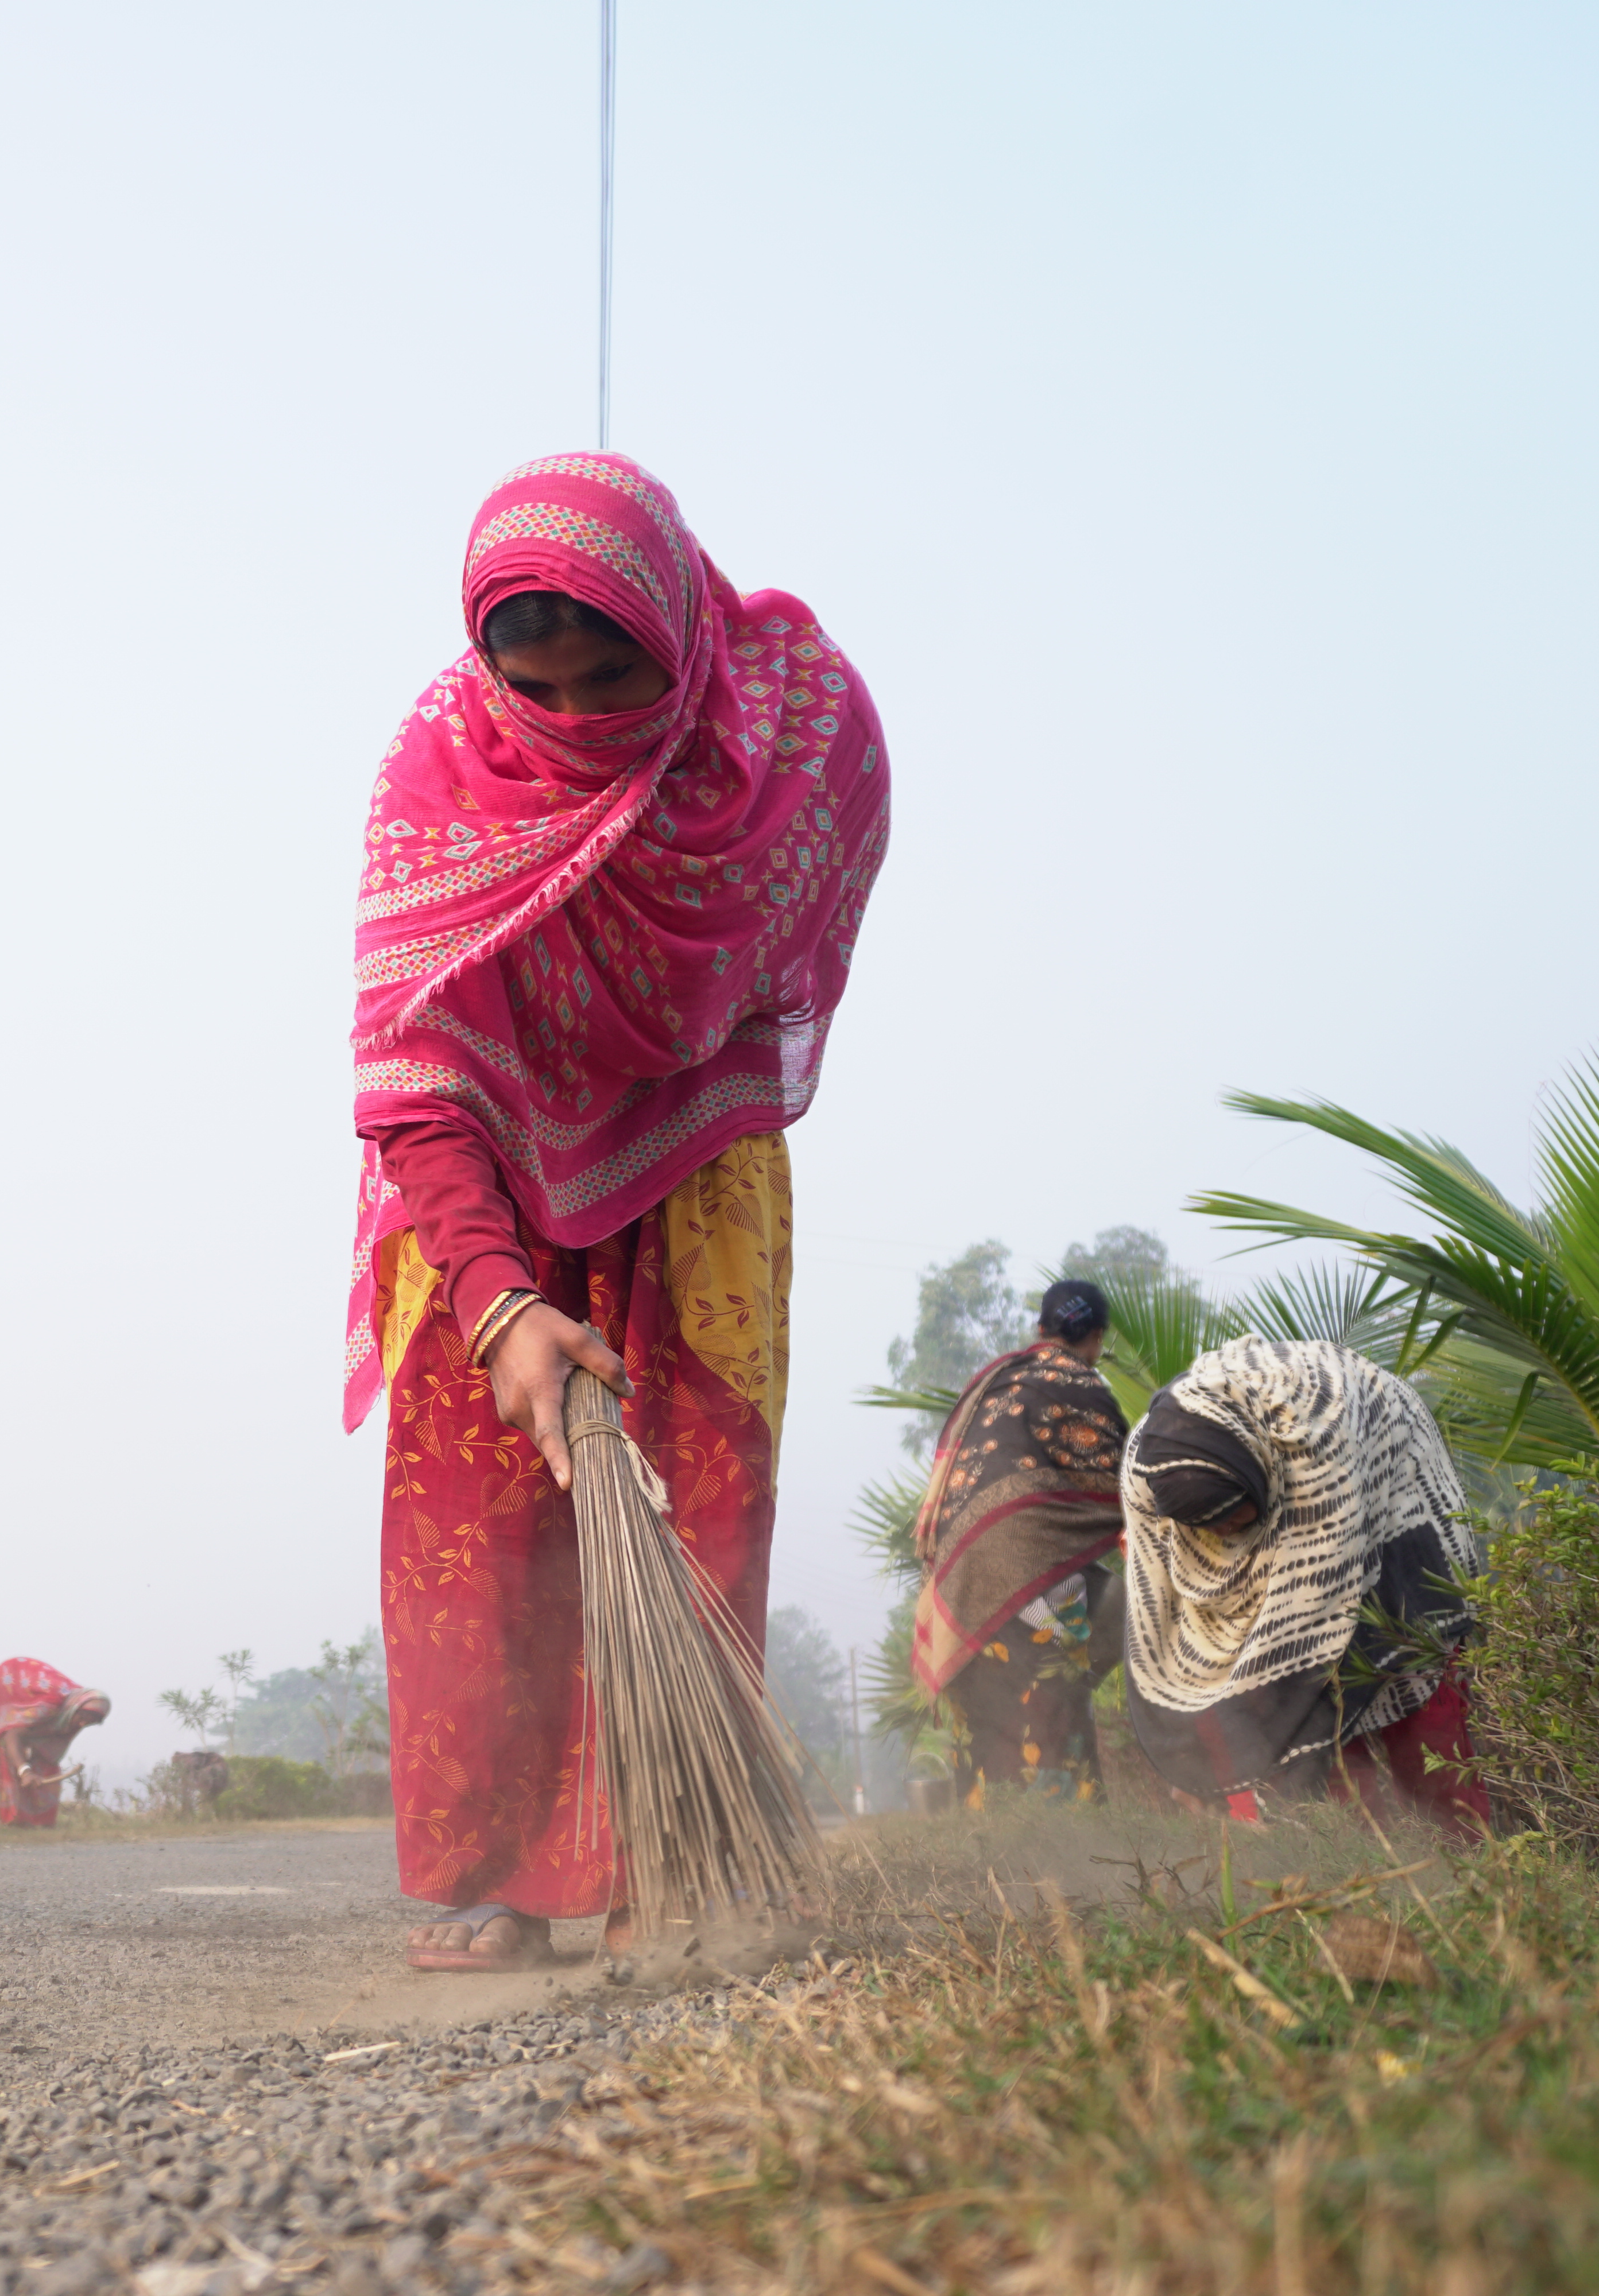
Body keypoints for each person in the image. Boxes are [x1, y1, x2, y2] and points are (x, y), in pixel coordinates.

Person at [344, 452, 891, 1972]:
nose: (579, 722)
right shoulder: (438, 776)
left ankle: (682, 1859)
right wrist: (499, 1302)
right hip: (485, 1188)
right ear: (488, 666)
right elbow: (413, 1080)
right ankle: (493, 1873)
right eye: (544, 687)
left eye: (614, 679)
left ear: (680, 634)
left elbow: (798, 920)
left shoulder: (796, 730)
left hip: (696, 1160)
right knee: (477, 1530)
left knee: (697, 1492)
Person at [1120, 1335, 1492, 1836]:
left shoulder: (1317, 1432)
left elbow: (1309, 1624)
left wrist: (1278, 1711)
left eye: (1231, 1518)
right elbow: (1167, 1618)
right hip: (1289, 1502)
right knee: (1320, 1767)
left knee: (1425, 1735)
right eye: (1206, 1529)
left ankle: (1471, 1872)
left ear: (1254, 1480)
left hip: (1394, 1518)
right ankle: (1350, 1879)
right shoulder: (1148, 1475)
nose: (1223, 1534)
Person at [908, 1281, 1130, 1804]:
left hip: (963, 1575)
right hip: (1040, 1574)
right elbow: (1126, 1483)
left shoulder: (999, 1384)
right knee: (1056, 1685)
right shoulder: (1080, 1383)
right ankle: (1066, 1814)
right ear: (1096, 1337)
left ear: (1041, 1330)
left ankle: (988, 1825)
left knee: (986, 1696)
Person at [0, 1659, 110, 1826]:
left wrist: (34, 1769)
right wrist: (25, 1771)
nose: (83, 1724)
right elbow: (13, 1735)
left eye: (90, 1723)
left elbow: (50, 1754)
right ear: (76, 1708)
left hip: (35, 1719)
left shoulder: (71, 1714)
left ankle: (41, 1824)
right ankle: (15, 1823)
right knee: (9, 1758)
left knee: (44, 1769)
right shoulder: (49, 1704)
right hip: (8, 1683)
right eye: (82, 1718)